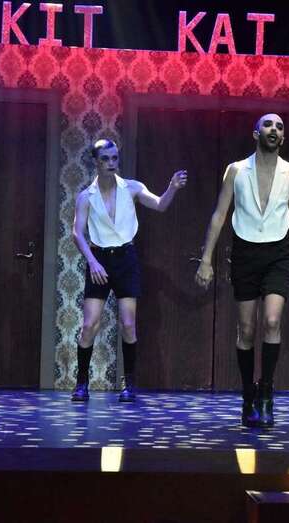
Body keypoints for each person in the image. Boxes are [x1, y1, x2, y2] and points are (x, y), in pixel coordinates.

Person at [195, 114, 289, 428]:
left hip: (279, 253)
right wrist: (206, 259)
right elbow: (220, 215)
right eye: (268, 125)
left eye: (280, 127)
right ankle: (248, 394)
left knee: (272, 321)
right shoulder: (236, 170)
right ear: (255, 133)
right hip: (245, 251)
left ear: (283, 138)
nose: (274, 129)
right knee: (246, 329)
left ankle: (267, 391)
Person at [70, 139, 187, 402]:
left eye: (114, 158)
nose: (111, 163)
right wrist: (92, 262)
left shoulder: (132, 188)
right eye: (105, 159)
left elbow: (160, 205)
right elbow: (77, 233)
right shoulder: (86, 196)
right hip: (99, 258)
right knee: (89, 325)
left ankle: (129, 383)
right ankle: (81, 382)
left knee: (128, 324)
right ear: (96, 162)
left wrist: (171, 188)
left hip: (126, 258)